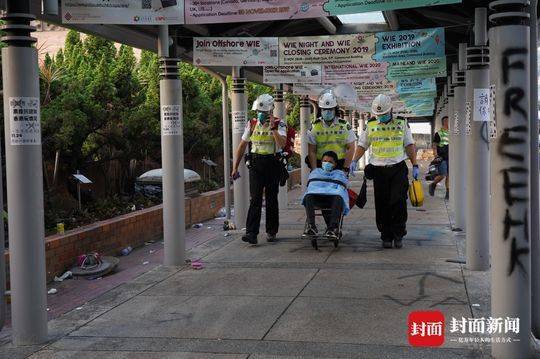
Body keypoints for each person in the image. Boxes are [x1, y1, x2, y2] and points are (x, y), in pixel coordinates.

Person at [352, 94, 418, 249]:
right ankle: (385, 235)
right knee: (382, 204)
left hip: (397, 168)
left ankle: (398, 234)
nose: (381, 117)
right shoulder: (371, 125)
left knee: (398, 201)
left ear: (391, 110)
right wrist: (355, 160)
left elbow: (409, 145)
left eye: (384, 114)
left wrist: (415, 164)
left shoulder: (402, 123)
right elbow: (362, 144)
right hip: (378, 170)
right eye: (378, 115)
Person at [231, 93, 287, 245]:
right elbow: (242, 145)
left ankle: (271, 230)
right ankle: (251, 233)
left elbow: (282, 144)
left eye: (264, 112)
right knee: (255, 199)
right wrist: (235, 167)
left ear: (271, 111)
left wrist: (273, 128)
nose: (261, 114)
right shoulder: (252, 124)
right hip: (256, 164)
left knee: (271, 199)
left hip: (273, 163)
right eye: (259, 112)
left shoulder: (280, 123)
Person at [302, 151, 350, 238]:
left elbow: (342, 189)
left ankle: (332, 228)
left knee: (338, 197)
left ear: (335, 164)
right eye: (324, 161)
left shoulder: (339, 174)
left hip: (332, 201)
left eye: (330, 162)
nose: (327, 163)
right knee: (308, 196)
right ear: (321, 162)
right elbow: (311, 187)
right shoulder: (315, 172)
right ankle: (311, 227)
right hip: (317, 199)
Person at [307, 92, 356, 173]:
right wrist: (314, 169)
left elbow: (351, 147)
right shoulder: (314, 127)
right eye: (324, 110)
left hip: (340, 165)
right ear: (320, 110)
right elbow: (311, 150)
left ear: (335, 109)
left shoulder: (344, 126)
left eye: (330, 109)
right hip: (321, 165)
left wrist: (346, 167)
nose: (327, 112)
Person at [429, 116, 450, 200]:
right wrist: (435, 154)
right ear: (445, 122)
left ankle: (448, 193)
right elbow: (434, 145)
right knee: (442, 174)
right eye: (448, 121)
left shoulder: (452, 133)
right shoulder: (439, 133)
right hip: (442, 157)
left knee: (449, 176)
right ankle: (433, 184)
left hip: (451, 157)